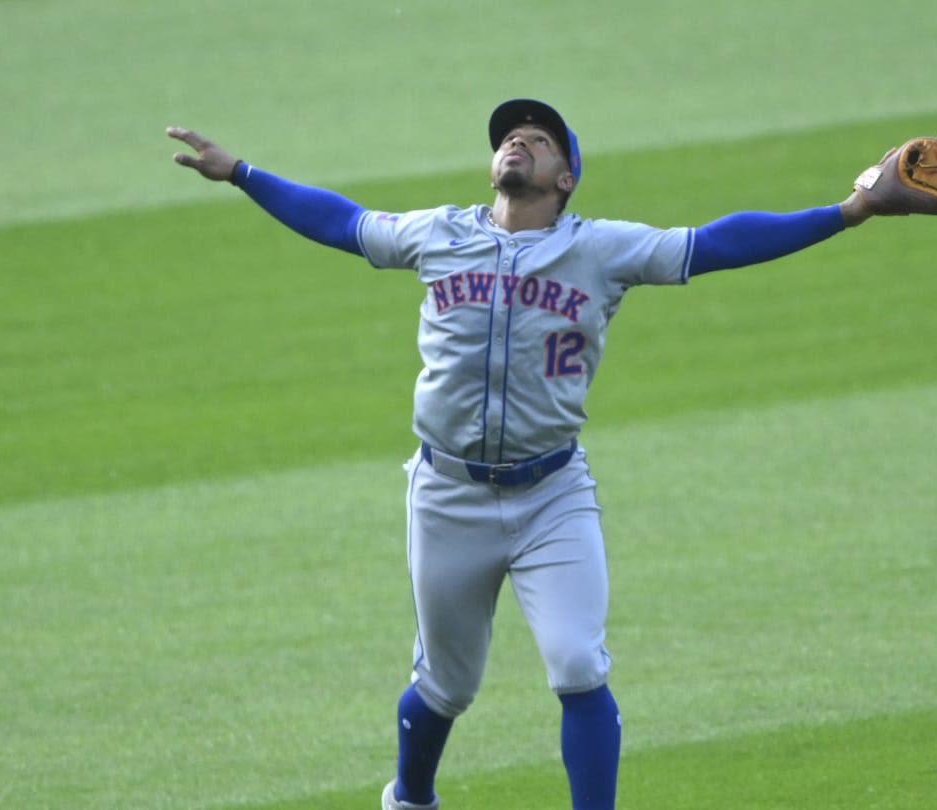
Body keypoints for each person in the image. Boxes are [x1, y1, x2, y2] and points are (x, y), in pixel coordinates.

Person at [168, 99, 883, 810]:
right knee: (446, 686)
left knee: (576, 662)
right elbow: (341, 222)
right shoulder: (437, 233)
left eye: (537, 140)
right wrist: (243, 173)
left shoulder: (603, 249)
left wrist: (845, 212)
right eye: (509, 136)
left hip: (552, 496)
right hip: (448, 496)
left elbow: (718, 243)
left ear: (565, 178)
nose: (517, 141)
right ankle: (410, 799)